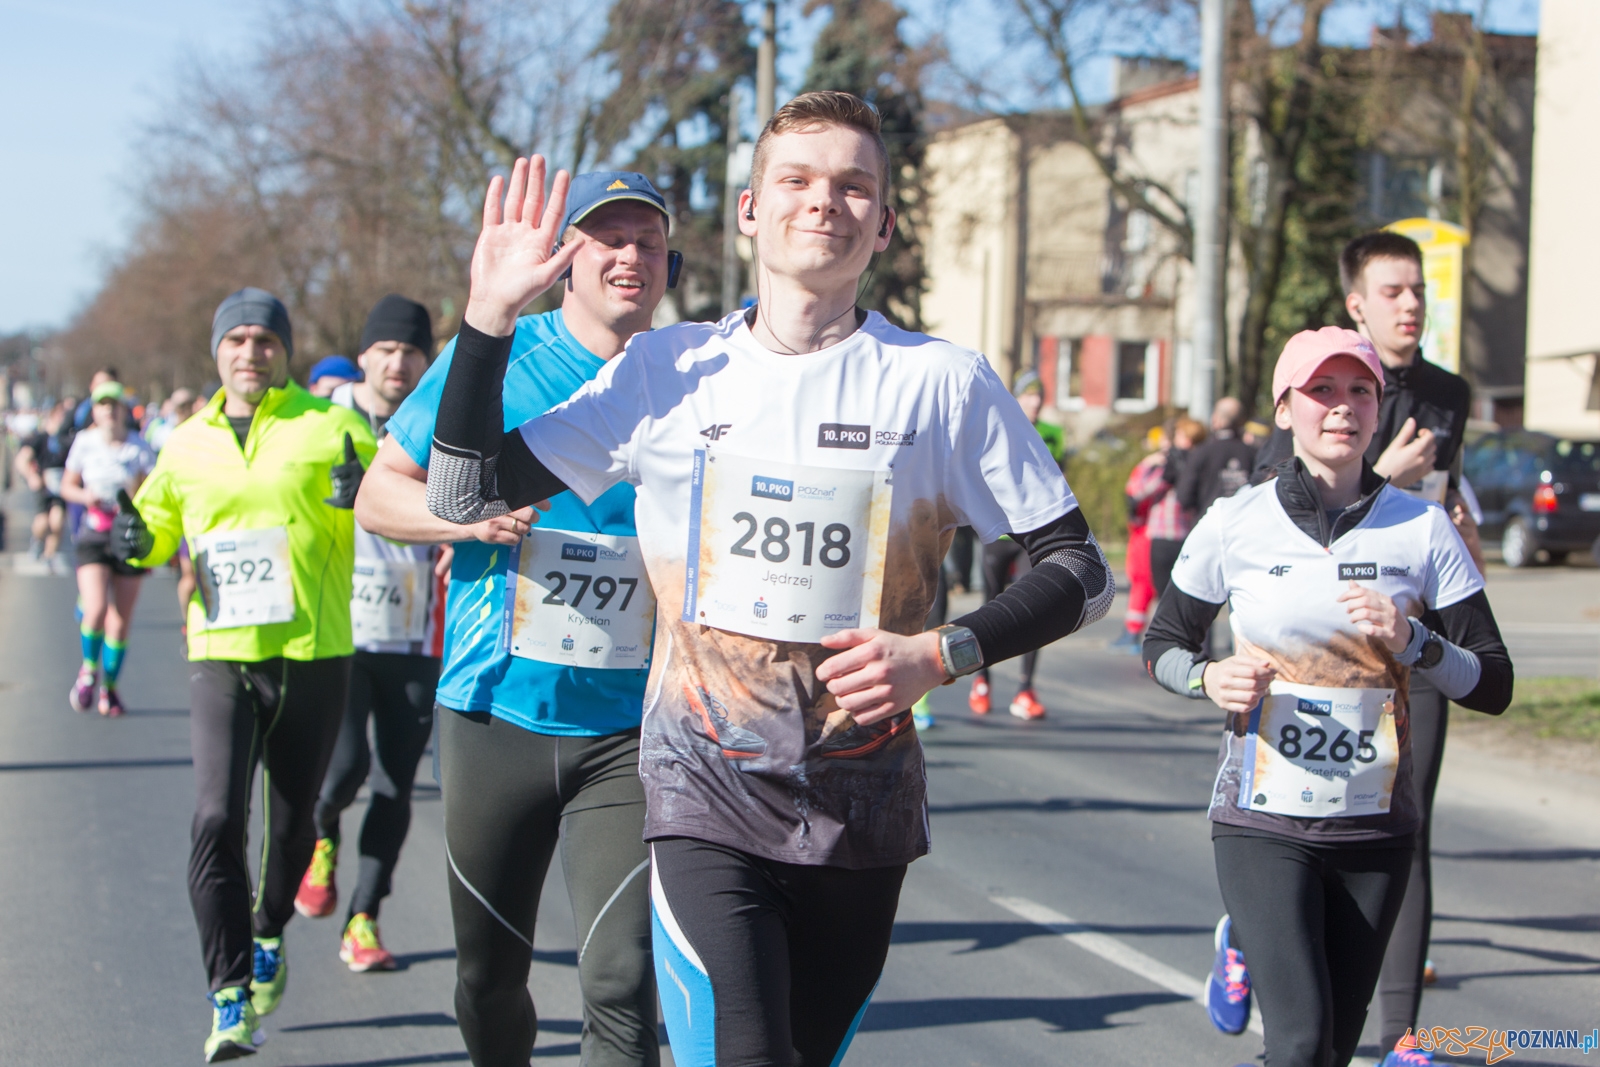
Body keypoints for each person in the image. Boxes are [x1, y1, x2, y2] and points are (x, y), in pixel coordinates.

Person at [423, 91, 1114, 1067]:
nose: (821, 201)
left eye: (851, 186)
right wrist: (487, 321)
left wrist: (940, 651)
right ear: (749, 210)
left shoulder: (940, 384)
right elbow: (458, 494)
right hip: (701, 788)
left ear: (881, 223)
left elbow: (1081, 573)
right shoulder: (669, 369)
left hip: (860, 808)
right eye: (794, 179)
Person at [355, 172, 678, 1067]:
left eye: (647, 242)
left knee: (621, 976)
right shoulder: (504, 363)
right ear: (565, 260)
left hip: (632, 726)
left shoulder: (687, 378)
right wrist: (462, 516)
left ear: (670, 265)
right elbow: (379, 496)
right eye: (606, 239)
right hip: (496, 712)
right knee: (489, 975)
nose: (628, 257)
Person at [1142, 327, 1511, 1067]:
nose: (1341, 407)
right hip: (1261, 820)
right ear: (1285, 409)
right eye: (1321, 391)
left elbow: (1494, 683)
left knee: (1333, 1048)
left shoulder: (1422, 527)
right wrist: (1205, 676)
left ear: (1377, 411)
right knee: (1302, 1038)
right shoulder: (1236, 522)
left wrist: (1415, 642)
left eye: (1359, 391)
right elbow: (1163, 644)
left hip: (1374, 829)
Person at [109, 287, 376, 1061]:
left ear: (282, 350)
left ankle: (267, 931)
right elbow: (156, 535)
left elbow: (388, 496)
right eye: (237, 340)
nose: (250, 352)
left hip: (314, 652)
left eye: (265, 339)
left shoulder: (331, 425)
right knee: (216, 818)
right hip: (222, 651)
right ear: (217, 351)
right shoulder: (186, 443)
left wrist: (363, 495)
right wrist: (134, 540)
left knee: (291, 831)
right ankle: (229, 995)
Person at [1252, 232, 1483, 1055]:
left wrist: (1464, 536)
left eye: (1418, 290)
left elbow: (1454, 500)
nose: (1412, 304)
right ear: (1358, 303)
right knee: (1299, 823)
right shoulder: (1314, 379)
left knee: (1403, 822)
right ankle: (1248, 931)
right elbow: (1276, 504)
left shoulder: (1452, 393)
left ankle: (1403, 1037)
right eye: (1393, 291)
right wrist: (1386, 469)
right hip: (1314, 642)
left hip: (1410, 636)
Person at [293, 294, 446, 974]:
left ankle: (363, 915)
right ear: (363, 355)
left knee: (395, 781)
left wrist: (458, 541)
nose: (398, 362)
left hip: (416, 631)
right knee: (347, 764)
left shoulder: (445, 422)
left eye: (411, 352)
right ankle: (320, 838)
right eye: (386, 349)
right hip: (341, 625)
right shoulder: (325, 423)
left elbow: (474, 498)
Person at [966, 369, 1068, 720]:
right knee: (990, 606)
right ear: (1017, 398)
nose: (1035, 402)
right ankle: (982, 680)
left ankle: (1025, 689)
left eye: (1040, 396)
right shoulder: (999, 424)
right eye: (1028, 395)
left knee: (1034, 608)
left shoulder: (1054, 434)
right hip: (998, 533)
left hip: (1033, 535)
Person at [59, 381, 157, 716]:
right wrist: (86, 497)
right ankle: (88, 670)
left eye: (114, 405)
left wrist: (135, 505)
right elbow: (67, 486)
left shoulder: (138, 448)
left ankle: (110, 688)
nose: (109, 411)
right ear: (95, 411)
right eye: (102, 405)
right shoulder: (85, 443)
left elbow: (153, 493)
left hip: (126, 537)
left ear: (123, 410)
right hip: (94, 534)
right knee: (96, 608)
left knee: (120, 622)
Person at [1115, 427, 1167, 652]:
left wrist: (1146, 464)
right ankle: (1133, 631)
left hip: (1148, 532)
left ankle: (1134, 632)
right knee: (1140, 579)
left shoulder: (1159, 469)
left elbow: (1136, 491)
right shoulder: (1158, 467)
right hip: (1142, 530)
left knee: (1143, 581)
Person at [15, 400, 72, 571]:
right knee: (43, 522)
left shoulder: (68, 439)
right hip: (44, 485)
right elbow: (22, 459)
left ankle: (49, 555)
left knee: (58, 521)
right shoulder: (41, 438)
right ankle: (38, 540)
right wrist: (32, 477)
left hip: (61, 485)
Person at [1179, 397, 1256, 520]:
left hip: (1207, 524)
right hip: (1242, 525)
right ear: (1242, 421)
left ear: (1216, 419)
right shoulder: (1253, 453)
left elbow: (1184, 497)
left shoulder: (1201, 452)